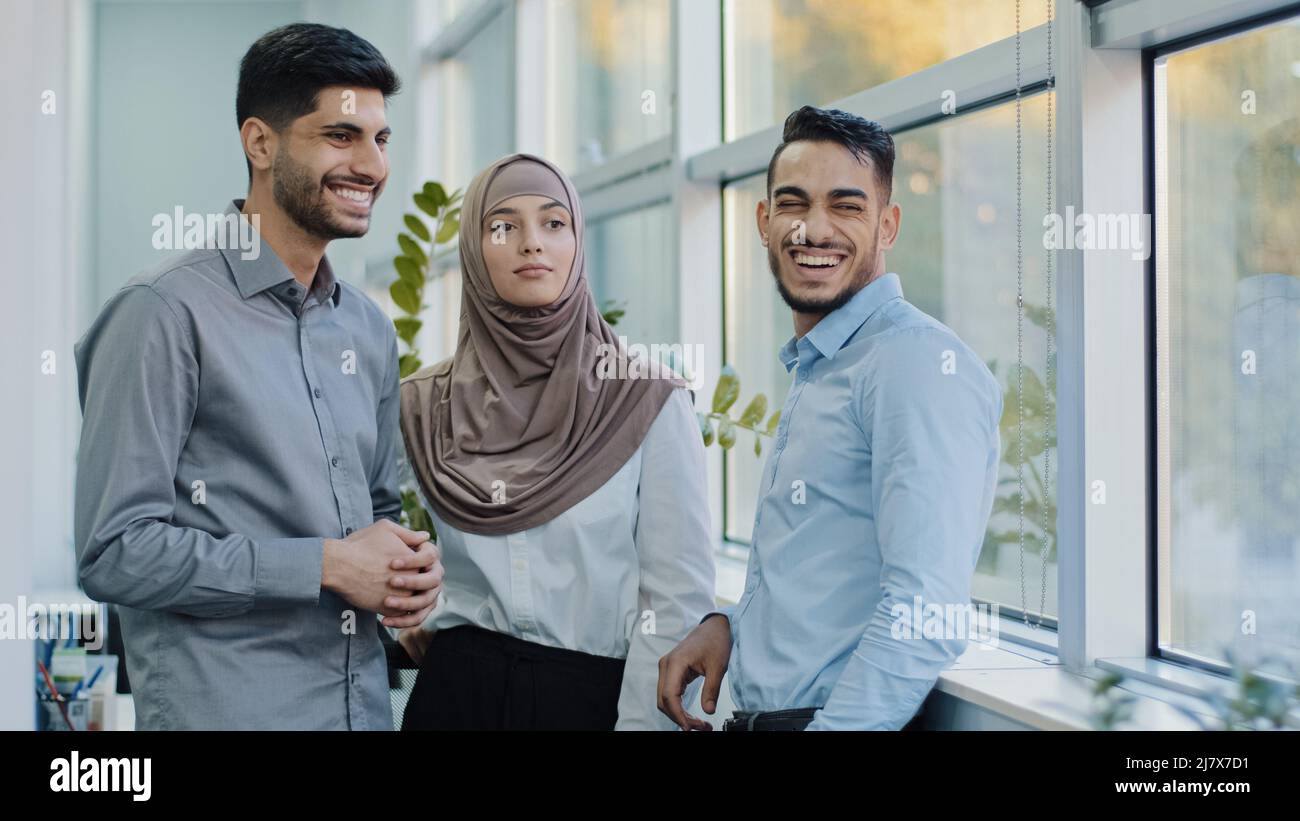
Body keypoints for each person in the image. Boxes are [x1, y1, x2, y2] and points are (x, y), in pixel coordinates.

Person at [73, 23, 442, 730]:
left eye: (381, 139)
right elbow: (114, 552)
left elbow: (375, 513)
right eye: (341, 135)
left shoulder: (366, 329)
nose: (372, 165)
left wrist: (403, 577)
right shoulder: (161, 314)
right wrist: (324, 565)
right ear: (261, 143)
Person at [658, 106, 1002, 731]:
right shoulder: (826, 363)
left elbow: (925, 611)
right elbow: (826, 566)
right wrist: (728, 627)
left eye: (847, 206)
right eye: (793, 204)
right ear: (765, 222)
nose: (813, 230)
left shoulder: (915, 364)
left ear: (888, 225)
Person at [396, 153, 715, 730]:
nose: (531, 244)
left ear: (577, 242)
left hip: (592, 701)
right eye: (502, 226)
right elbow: (364, 534)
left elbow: (675, 603)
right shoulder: (421, 403)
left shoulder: (647, 401)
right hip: (455, 696)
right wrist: (408, 613)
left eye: (553, 222)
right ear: (472, 246)